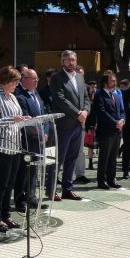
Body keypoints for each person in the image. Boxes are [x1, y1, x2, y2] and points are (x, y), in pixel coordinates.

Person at [0, 66, 26, 232]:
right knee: (1, 185)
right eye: (15, 81)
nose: (17, 84)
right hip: (2, 147)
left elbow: (17, 119)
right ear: (7, 81)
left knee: (10, 184)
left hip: (15, 146)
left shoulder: (13, 97)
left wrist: (24, 119)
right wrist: (12, 119)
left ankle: (6, 215)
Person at [50, 50, 90, 200]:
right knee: (58, 159)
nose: (70, 62)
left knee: (72, 158)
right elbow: (60, 99)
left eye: (72, 60)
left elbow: (86, 98)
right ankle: (52, 190)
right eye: (67, 60)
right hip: (63, 125)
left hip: (78, 125)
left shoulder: (80, 77)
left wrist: (85, 111)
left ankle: (67, 189)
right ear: (62, 62)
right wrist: (78, 113)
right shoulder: (56, 78)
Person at [14, 68, 46, 210]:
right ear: (24, 79)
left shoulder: (36, 94)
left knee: (34, 171)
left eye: (37, 79)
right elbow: (26, 120)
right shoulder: (20, 96)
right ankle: (20, 200)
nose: (37, 81)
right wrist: (39, 135)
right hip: (27, 140)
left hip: (39, 139)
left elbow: (44, 114)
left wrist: (46, 133)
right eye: (34, 79)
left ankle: (31, 197)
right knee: (23, 171)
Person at [94, 73, 124, 189]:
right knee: (104, 157)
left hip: (117, 131)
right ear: (105, 83)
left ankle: (112, 179)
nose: (115, 82)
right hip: (106, 131)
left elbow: (121, 110)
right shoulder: (99, 95)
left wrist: (122, 120)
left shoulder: (116, 95)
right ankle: (101, 181)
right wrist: (115, 122)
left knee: (113, 157)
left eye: (115, 80)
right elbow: (102, 113)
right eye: (112, 81)